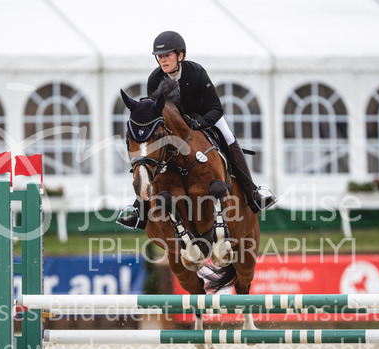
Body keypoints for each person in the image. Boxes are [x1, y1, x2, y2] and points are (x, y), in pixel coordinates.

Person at [117, 31, 277, 229]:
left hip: (204, 117)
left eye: (167, 55)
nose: (163, 60)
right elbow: (157, 112)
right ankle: (140, 210)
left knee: (228, 137)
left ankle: (253, 193)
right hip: (174, 125)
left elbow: (216, 109)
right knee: (151, 152)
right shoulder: (155, 78)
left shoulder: (196, 72)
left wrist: (200, 123)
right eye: (159, 56)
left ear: (180, 55)